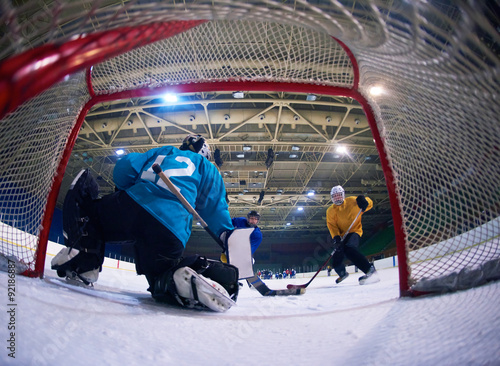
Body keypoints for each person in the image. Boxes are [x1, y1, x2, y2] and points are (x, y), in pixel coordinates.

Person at [51, 134, 239, 312]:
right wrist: (225, 235)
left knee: (91, 217)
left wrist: (125, 187)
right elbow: (215, 207)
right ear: (205, 154)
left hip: (132, 205)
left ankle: (85, 265)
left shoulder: (165, 151)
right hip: (171, 228)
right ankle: (175, 279)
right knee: (160, 277)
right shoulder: (207, 168)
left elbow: (123, 169)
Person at [326, 185, 379, 285]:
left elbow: (369, 203)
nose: (337, 198)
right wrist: (336, 237)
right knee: (337, 255)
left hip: (354, 231)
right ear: (332, 197)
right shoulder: (330, 211)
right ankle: (342, 273)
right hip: (342, 236)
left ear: (343, 195)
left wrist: (364, 200)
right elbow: (332, 226)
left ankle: (369, 269)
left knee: (349, 249)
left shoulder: (353, 201)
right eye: (335, 196)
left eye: (339, 195)